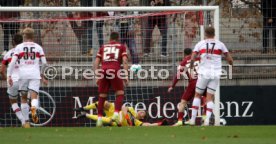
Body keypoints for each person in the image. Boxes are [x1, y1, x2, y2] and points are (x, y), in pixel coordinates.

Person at [189, 27, 233, 126]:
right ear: (214, 33)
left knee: (197, 95)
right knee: (209, 97)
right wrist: (231, 64)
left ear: (205, 33)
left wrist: (192, 66)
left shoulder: (200, 44)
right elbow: (229, 59)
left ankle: (192, 120)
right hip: (216, 73)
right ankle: (207, 120)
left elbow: (193, 57)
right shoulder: (220, 44)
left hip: (204, 72)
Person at [7, 27, 48, 124]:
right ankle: (33, 109)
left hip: (23, 75)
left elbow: (12, 63)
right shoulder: (38, 47)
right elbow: (45, 63)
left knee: (24, 99)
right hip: (35, 74)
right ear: (33, 36)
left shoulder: (19, 47)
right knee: (34, 97)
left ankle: (26, 121)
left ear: (24, 36)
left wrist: (9, 75)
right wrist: (41, 73)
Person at [94, 32, 129, 127]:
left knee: (102, 96)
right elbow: (125, 61)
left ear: (110, 39)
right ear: (118, 38)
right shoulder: (121, 47)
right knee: (120, 93)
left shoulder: (103, 47)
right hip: (115, 70)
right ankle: (116, 114)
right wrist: (126, 75)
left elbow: (96, 61)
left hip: (104, 71)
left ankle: (99, 119)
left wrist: (97, 75)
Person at [1, 33, 30, 128]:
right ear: (22, 41)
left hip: (12, 81)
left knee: (13, 101)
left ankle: (22, 120)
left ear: (12, 42)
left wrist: (7, 79)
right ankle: (26, 121)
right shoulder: (26, 53)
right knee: (24, 100)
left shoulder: (8, 54)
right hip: (23, 80)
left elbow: (1, 70)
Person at [168, 48, 201, 126]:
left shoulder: (184, 62)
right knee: (205, 99)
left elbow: (178, 75)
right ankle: (205, 118)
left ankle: (179, 121)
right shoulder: (199, 58)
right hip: (202, 81)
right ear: (192, 52)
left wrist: (172, 86)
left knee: (183, 102)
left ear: (184, 54)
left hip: (193, 83)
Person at [75, 101, 167, 127]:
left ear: (142, 117)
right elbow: (123, 108)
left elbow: (148, 125)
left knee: (110, 121)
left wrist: (160, 123)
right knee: (105, 103)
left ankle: (85, 115)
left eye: (143, 112)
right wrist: (128, 119)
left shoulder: (137, 122)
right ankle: (83, 108)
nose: (141, 111)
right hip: (115, 112)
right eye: (141, 110)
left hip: (117, 121)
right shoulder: (132, 110)